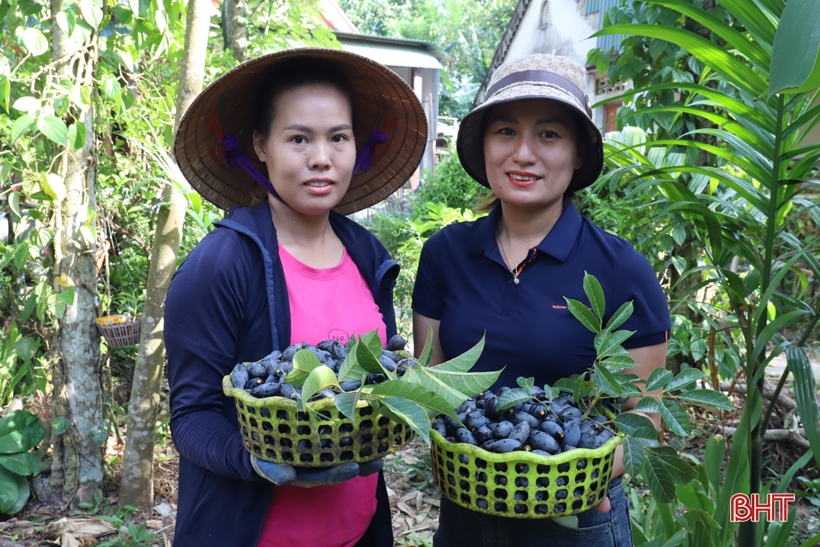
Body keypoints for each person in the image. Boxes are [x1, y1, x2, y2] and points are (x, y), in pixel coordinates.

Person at [165, 48, 427, 547]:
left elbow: (372, 378)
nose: (321, 158)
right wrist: (259, 462)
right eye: (298, 138)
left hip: (357, 531)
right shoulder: (220, 266)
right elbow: (191, 417)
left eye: (338, 137)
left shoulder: (368, 254)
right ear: (261, 145)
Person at [412, 54, 671, 546]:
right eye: (506, 131)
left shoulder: (620, 270)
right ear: (484, 145)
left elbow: (646, 418)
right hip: (469, 508)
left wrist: (566, 480)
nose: (523, 153)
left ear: (577, 154)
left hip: (575, 517)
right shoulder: (445, 254)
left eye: (549, 134)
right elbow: (434, 390)